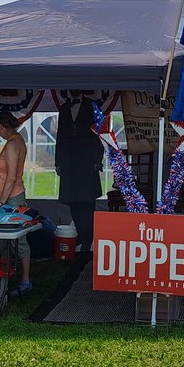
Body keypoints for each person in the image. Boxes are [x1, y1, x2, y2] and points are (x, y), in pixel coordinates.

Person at [55, 91, 104, 253]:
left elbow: (99, 134)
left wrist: (97, 161)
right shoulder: (63, 109)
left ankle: (89, 239)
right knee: (73, 203)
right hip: (69, 163)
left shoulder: (92, 106)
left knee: (88, 203)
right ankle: (81, 237)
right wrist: (58, 162)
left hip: (87, 163)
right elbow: (60, 137)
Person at [0, 110, 32, 294]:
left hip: (10, 198)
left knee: (18, 239)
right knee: (3, 239)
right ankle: (7, 274)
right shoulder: (16, 140)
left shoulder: (13, 144)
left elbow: (12, 177)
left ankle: (25, 280)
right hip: (5, 197)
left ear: (1, 126)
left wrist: (2, 204)